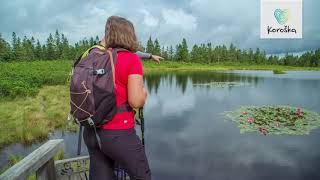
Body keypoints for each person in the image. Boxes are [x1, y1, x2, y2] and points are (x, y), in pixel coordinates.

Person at [83, 16, 152, 180]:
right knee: (143, 176)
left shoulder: (94, 56)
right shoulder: (131, 58)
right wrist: (144, 95)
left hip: (92, 133)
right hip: (118, 134)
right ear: (130, 35)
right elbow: (136, 101)